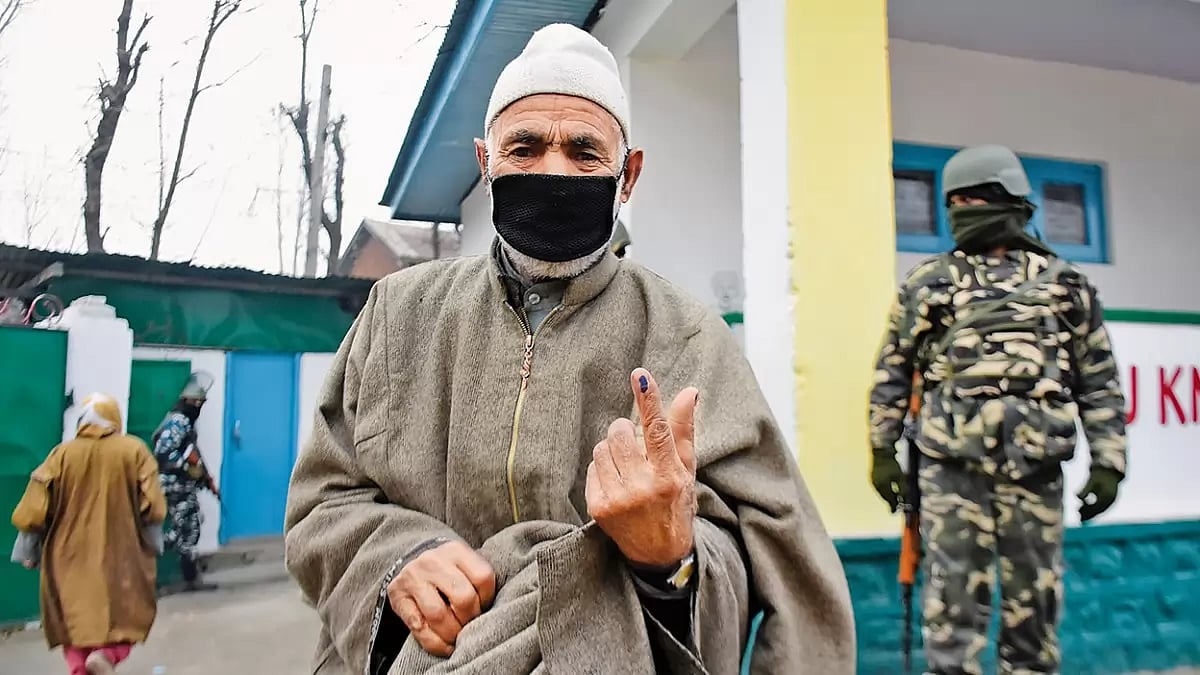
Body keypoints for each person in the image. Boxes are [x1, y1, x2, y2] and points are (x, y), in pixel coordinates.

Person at [285, 23, 855, 675]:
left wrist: (670, 559)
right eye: (524, 147)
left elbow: (783, 565)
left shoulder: (690, 337)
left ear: (628, 174)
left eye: (584, 152)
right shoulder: (397, 313)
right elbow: (321, 503)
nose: (553, 171)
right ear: (485, 162)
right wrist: (394, 560)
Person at [868, 144, 1128, 674]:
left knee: (1034, 610)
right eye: (955, 202)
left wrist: (1108, 462)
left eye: (976, 198)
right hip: (949, 469)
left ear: (1010, 200)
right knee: (952, 610)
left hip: (1034, 470)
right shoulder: (928, 282)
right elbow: (892, 371)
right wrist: (882, 449)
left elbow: (1098, 381)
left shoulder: (1065, 285)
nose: (964, 210)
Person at [11, 393, 167, 675]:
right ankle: (107, 654)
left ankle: (80, 670)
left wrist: (28, 551)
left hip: (67, 555)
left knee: (72, 621)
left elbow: (35, 506)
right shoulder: (134, 451)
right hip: (122, 553)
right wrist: (153, 545)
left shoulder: (61, 454)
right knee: (128, 614)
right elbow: (153, 505)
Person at [152, 374, 220, 592]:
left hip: (181, 485)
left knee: (189, 528)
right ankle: (146, 556)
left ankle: (189, 576)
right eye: (198, 403)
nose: (199, 407)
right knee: (185, 531)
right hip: (173, 485)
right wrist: (187, 467)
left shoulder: (186, 423)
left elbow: (194, 455)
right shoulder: (178, 422)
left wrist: (205, 478)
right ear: (190, 402)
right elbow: (163, 453)